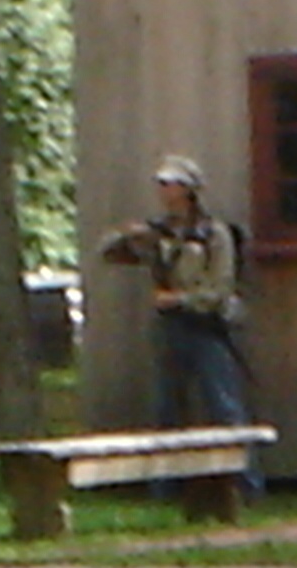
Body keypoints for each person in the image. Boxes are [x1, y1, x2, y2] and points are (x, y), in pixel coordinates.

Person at [99, 153, 260, 492]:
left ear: (187, 189)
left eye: (169, 183)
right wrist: (125, 235)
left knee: (225, 407)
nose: (162, 189)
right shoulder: (157, 233)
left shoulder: (213, 234)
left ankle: (246, 486)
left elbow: (219, 287)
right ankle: (164, 487)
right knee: (166, 409)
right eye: (160, 183)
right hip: (170, 327)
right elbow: (109, 255)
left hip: (208, 327)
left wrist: (180, 299)